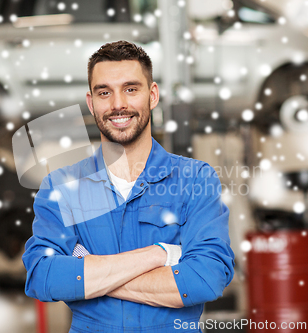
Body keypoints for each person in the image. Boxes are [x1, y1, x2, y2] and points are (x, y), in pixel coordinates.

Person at [22, 40, 234, 332]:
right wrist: (159, 254)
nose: (117, 104)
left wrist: (90, 273)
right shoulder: (62, 187)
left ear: (153, 95)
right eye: (104, 92)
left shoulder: (195, 180)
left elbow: (205, 279)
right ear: (90, 102)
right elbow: (43, 277)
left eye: (130, 89)